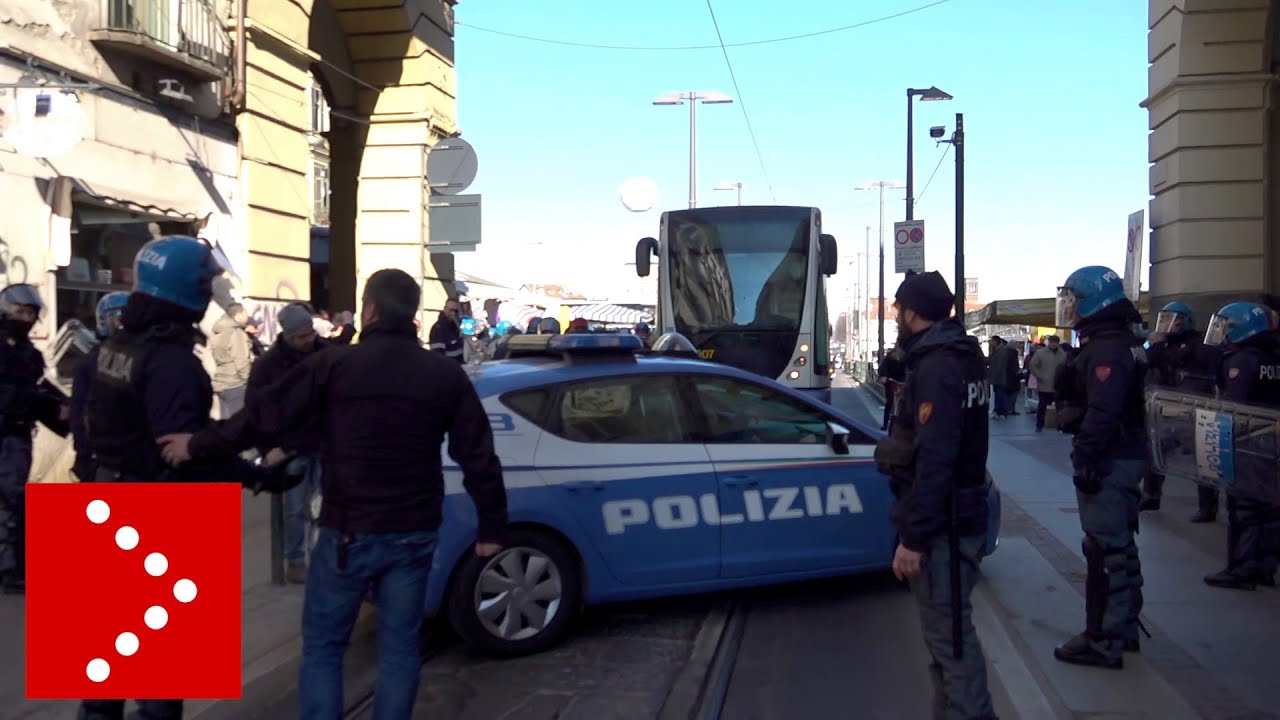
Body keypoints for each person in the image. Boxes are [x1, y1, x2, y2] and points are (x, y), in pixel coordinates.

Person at [156, 268, 509, 719]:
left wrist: (197, 443)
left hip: (349, 529)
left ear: (371, 310)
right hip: (413, 531)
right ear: (412, 315)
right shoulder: (443, 374)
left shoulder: (336, 364)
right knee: (399, 648)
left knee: (324, 648)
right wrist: (492, 525)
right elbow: (478, 455)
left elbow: (263, 414)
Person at [78, 236, 302, 720]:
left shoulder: (114, 343)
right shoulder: (171, 359)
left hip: (103, 498)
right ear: (191, 291)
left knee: (103, 669)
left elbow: (85, 418)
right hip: (156, 511)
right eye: (206, 284)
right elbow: (184, 451)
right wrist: (260, 477)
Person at [873, 271, 996, 720]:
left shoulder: (939, 364)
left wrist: (914, 539)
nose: (896, 317)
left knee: (952, 645)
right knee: (948, 643)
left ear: (912, 312)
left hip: (944, 525)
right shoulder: (961, 356)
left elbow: (936, 459)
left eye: (899, 309)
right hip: (958, 515)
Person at [1052, 265, 1147, 669]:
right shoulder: (1120, 341)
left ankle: (1103, 639)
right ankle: (1122, 627)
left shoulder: (1106, 349)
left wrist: (1085, 457)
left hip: (1110, 460)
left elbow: (1104, 411)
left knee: (1105, 551)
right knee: (1120, 548)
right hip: (1125, 456)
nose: (1069, 308)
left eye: (1073, 300)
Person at [1200, 301, 1280, 590]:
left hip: (1248, 442)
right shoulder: (1273, 356)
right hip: (1273, 441)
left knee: (1244, 507)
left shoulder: (1240, 360)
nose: (1221, 334)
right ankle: (1265, 566)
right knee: (1270, 507)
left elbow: (1233, 406)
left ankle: (1242, 569)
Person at [247, 303, 327, 584]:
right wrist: (268, 450)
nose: (310, 339)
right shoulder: (269, 365)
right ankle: (295, 560)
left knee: (323, 504)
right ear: (290, 336)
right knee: (294, 508)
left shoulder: (323, 352)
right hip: (290, 447)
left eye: (310, 333)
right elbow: (255, 411)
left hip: (323, 442)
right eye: (303, 336)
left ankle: (320, 557)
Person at [0, 284, 67, 594]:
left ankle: (13, 568)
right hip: (7, 429)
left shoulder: (29, 353)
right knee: (11, 500)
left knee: (14, 499)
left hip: (16, 434)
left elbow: (39, 387)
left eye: (30, 313)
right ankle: (11, 568)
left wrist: (65, 409)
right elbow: (14, 393)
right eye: (20, 311)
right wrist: (43, 403)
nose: (25, 318)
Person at [1141, 301, 1221, 515]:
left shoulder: (1198, 343)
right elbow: (1146, 363)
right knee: (1155, 452)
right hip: (1167, 407)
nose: (1169, 324)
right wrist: (1154, 345)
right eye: (1165, 319)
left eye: (1175, 319)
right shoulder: (1161, 344)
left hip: (1193, 409)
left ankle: (1207, 507)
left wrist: (1160, 346)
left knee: (1202, 459)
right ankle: (1151, 495)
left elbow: (1184, 359)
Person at [69, 291, 130, 483]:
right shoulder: (92, 361)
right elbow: (79, 408)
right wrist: (84, 450)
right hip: (103, 454)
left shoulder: (142, 355)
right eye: (115, 318)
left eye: (125, 317)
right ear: (103, 321)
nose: (121, 324)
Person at [210, 302, 255, 418]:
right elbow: (242, 362)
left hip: (221, 382)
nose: (248, 317)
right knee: (238, 425)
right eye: (245, 313)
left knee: (226, 424)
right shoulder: (236, 333)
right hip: (235, 384)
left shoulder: (219, 330)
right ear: (239, 315)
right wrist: (250, 382)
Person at [1029, 335, 1065, 433]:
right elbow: (1033, 365)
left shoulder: (1062, 354)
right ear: (1049, 342)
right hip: (1044, 384)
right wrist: (1039, 375)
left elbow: (1066, 367)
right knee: (1042, 405)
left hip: (1058, 385)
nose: (1053, 344)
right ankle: (1039, 425)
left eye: (1055, 342)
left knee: (1059, 406)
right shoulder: (1040, 353)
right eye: (1052, 342)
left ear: (1058, 343)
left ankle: (1060, 425)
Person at [428, 298, 465, 363]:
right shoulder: (439, 329)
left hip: (457, 367)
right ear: (445, 309)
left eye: (456, 311)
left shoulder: (456, 326)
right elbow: (438, 356)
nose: (453, 313)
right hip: (447, 369)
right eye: (451, 310)